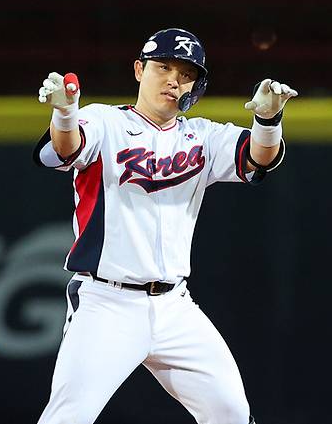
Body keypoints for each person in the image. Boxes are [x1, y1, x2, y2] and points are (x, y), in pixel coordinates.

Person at [33, 28, 297, 424]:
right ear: (139, 69)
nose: (174, 79)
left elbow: (259, 157)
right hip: (108, 304)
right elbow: (65, 148)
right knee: (67, 418)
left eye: (186, 74)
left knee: (231, 412)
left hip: (175, 306)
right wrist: (65, 112)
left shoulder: (202, 136)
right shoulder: (103, 120)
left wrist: (268, 119)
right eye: (163, 66)